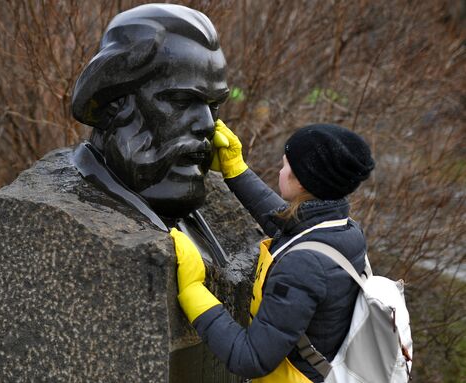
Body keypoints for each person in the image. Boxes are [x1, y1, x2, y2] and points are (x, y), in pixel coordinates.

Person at [171, 121, 375, 382]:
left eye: (285, 165)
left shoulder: (303, 266)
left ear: (302, 182)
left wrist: (193, 290)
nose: (280, 172)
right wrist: (235, 170)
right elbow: (287, 226)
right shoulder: (344, 230)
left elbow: (251, 358)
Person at [72, 3, 229, 218]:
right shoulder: (69, 220)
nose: (208, 124)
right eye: (181, 101)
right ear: (115, 103)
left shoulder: (193, 215)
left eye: (214, 105)